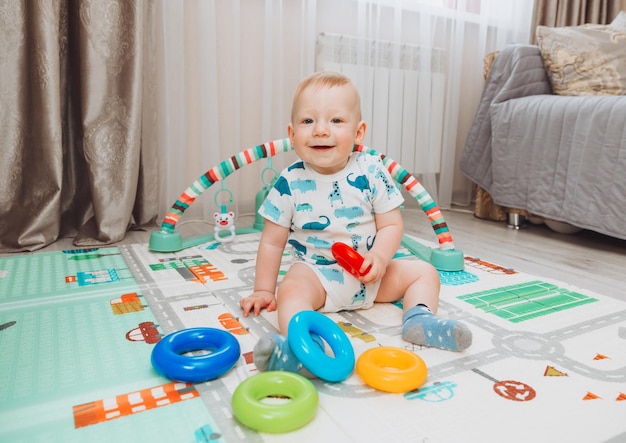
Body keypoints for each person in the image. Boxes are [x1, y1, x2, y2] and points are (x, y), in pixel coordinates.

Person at [240, 71, 472, 376]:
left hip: (371, 276)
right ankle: (302, 348)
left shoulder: (372, 172)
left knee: (424, 272)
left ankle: (419, 319)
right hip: (317, 276)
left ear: (359, 132)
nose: (321, 131)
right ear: (292, 132)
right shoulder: (289, 182)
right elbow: (272, 242)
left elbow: (391, 226)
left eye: (336, 121)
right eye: (308, 121)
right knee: (291, 290)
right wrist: (263, 290)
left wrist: (379, 258)